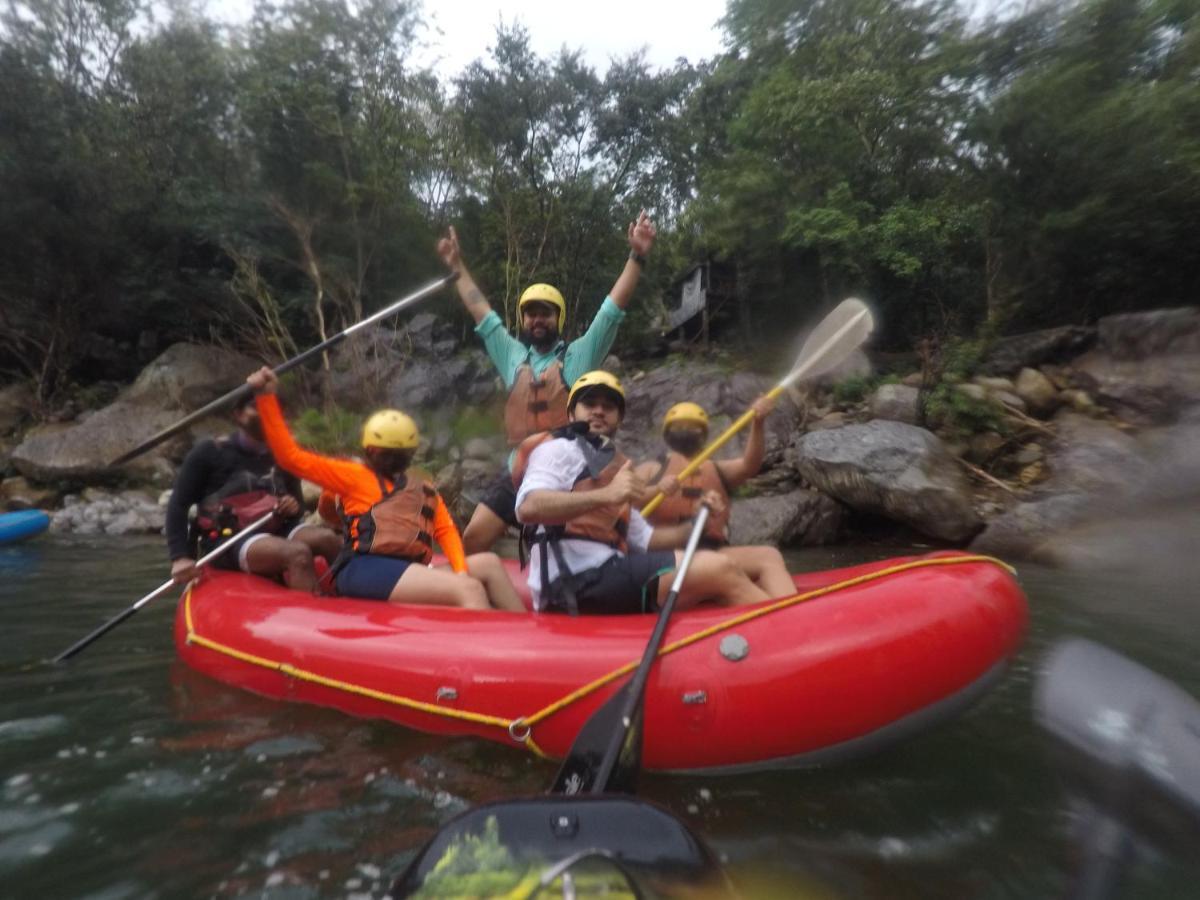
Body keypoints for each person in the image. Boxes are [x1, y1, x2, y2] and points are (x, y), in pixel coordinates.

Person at [436, 211, 657, 554]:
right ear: (524, 319)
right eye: (532, 313)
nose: (538, 319)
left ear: (558, 319)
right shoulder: (512, 356)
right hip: (517, 467)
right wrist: (457, 267)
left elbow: (612, 310)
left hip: (564, 473)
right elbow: (481, 313)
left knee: (562, 546)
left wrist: (637, 255)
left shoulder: (577, 357)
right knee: (473, 539)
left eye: (546, 313)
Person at [246, 367, 525, 611]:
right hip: (364, 568)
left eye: (398, 454)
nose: (392, 460)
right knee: (470, 590)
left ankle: (528, 644)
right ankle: (485, 664)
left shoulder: (422, 486)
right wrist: (266, 396)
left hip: (406, 570)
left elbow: (445, 531)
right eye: (387, 454)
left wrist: (462, 570)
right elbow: (290, 457)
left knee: (488, 563)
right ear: (371, 451)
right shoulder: (351, 476)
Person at [513, 370, 774, 615]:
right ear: (571, 415)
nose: (599, 411)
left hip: (607, 573)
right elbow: (529, 507)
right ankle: (789, 630)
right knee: (719, 568)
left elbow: (647, 540)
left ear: (619, 418)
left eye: (609, 406)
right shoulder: (557, 451)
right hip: (572, 582)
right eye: (589, 404)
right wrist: (606, 495)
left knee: (715, 574)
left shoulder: (615, 468)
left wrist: (698, 521)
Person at [166, 394, 341, 591]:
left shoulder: (284, 454)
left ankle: (355, 602)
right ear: (238, 415)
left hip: (278, 528)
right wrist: (180, 557)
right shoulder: (209, 452)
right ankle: (312, 615)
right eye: (256, 407)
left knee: (328, 539)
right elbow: (178, 504)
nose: (266, 413)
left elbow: (298, 506)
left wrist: (292, 506)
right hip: (229, 539)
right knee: (297, 554)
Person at [635, 400, 795, 598]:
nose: (686, 430)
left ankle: (792, 613)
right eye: (680, 426)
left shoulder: (717, 469)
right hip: (667, 558)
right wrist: (657, 488)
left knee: (769, 556)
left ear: (703, 435)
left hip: (712, 550)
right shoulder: (650, 469)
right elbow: (626, 501)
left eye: (692, 427)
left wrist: (758, 423)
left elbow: (749, 465)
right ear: (668, 434)